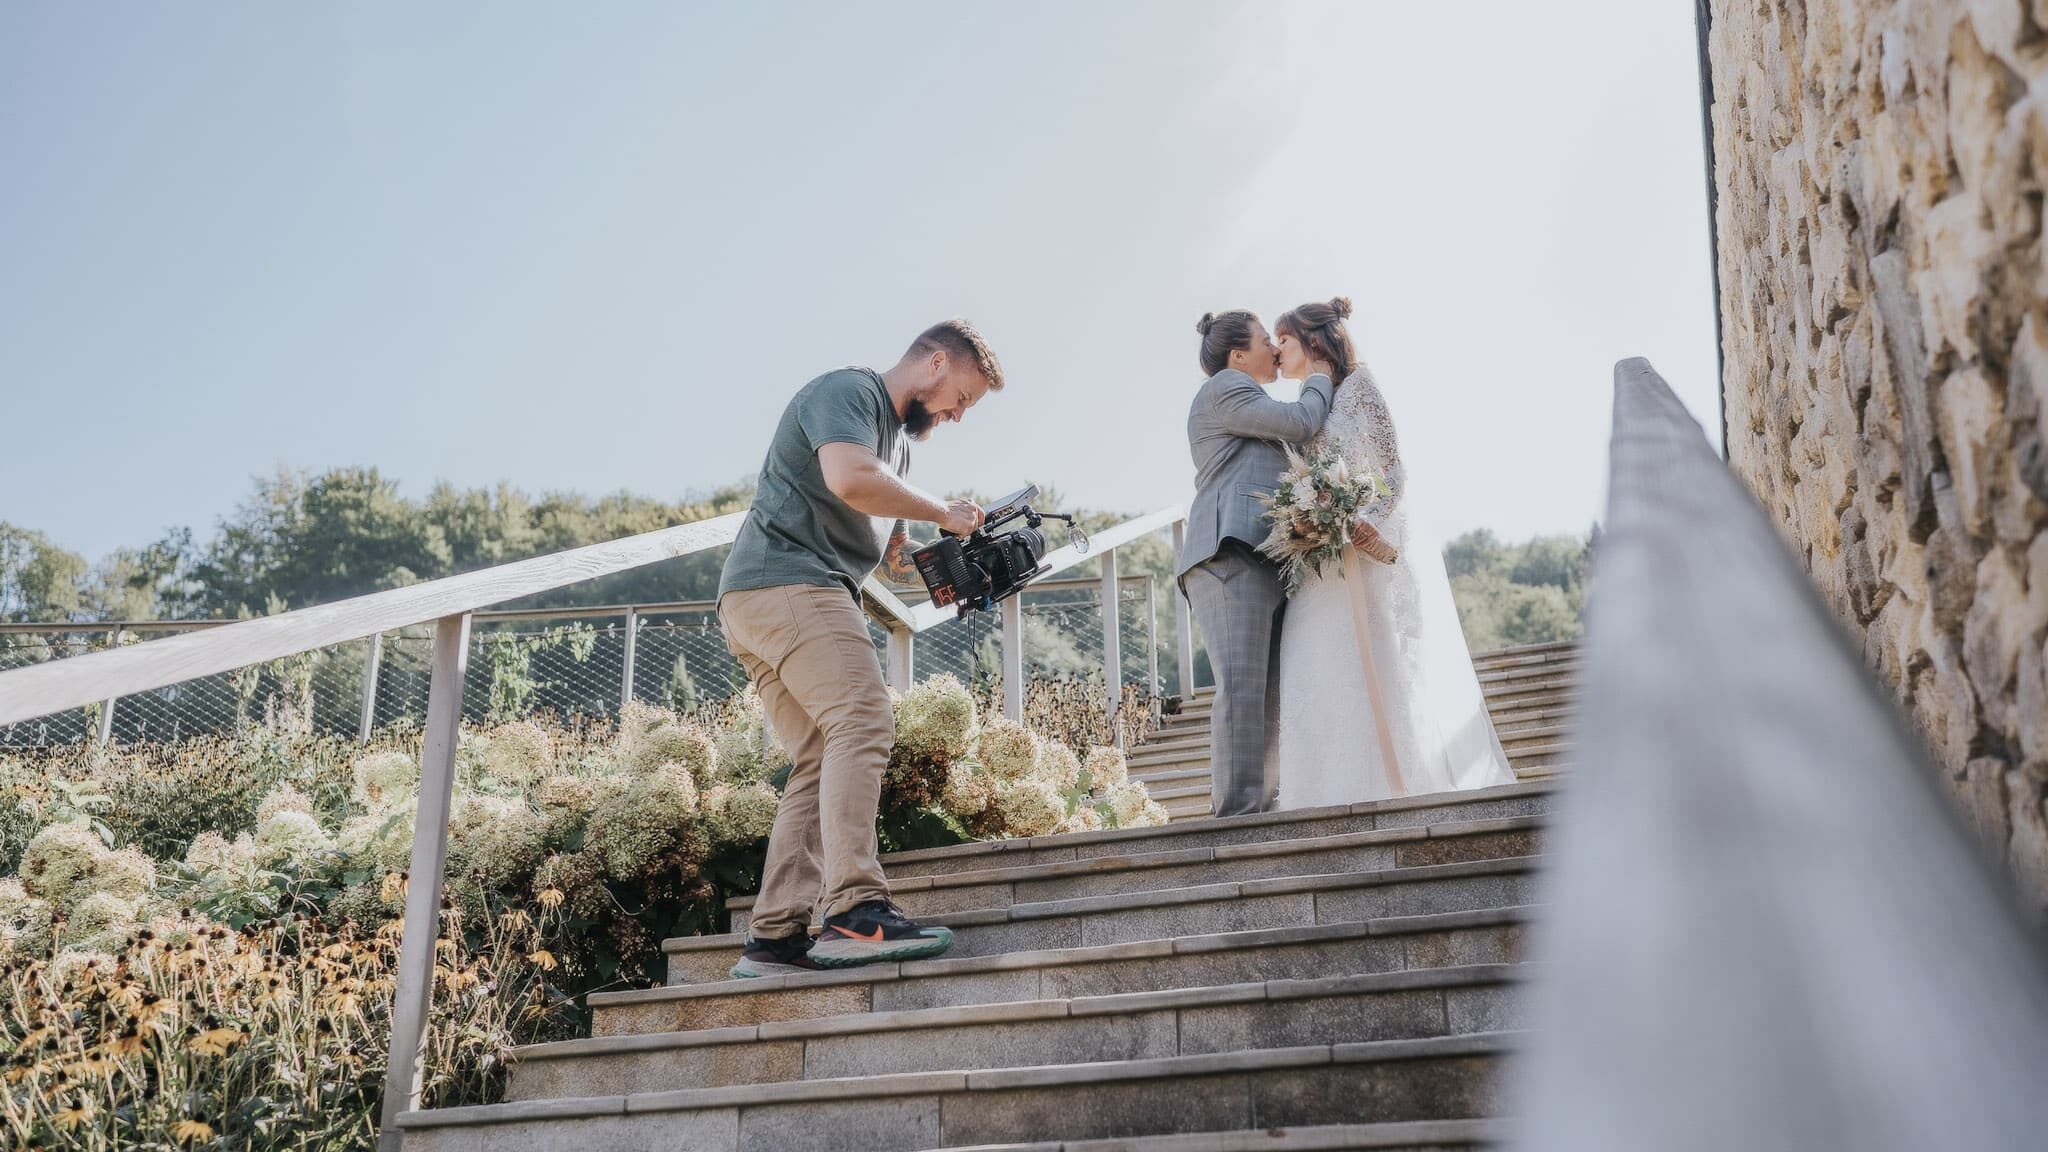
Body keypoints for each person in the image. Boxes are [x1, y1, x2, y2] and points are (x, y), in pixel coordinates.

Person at [720, 320, 1000, 977]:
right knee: (865, 720)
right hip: (791, 581)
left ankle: (774, 937)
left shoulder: (896, 453)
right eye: (960, 397)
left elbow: (890, 552)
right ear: (934, 363)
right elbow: (849, 479)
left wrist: (967, 564)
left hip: (775, 595)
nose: (958, 416)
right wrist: (942, 511)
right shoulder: (849, 392)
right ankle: (853, 909)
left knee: (821, 755)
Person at [1264, 298, 1517, 808]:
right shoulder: (1308, 405)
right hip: (1321, 567)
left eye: (1283, 339)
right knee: (1313, 661)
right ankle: (1316, 796)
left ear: (1313, 340)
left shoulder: (1360, 387)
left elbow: (1394, 471)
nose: (1275, 349)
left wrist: (1365, 521)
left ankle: (1388, 781)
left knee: (1369, 664)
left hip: (1361, 555)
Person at [1176, 310, 1336, 817]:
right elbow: (1302, 421)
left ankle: (1259, 813)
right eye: (1266, 340)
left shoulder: (1250, 398)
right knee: (1243, 688)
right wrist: (1320, 377)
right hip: (1229, 555)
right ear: (1237, 355)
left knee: (1268, 698)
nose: (1274, 347)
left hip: (1265, 558)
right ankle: (1237, 821)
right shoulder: (1227, 387)